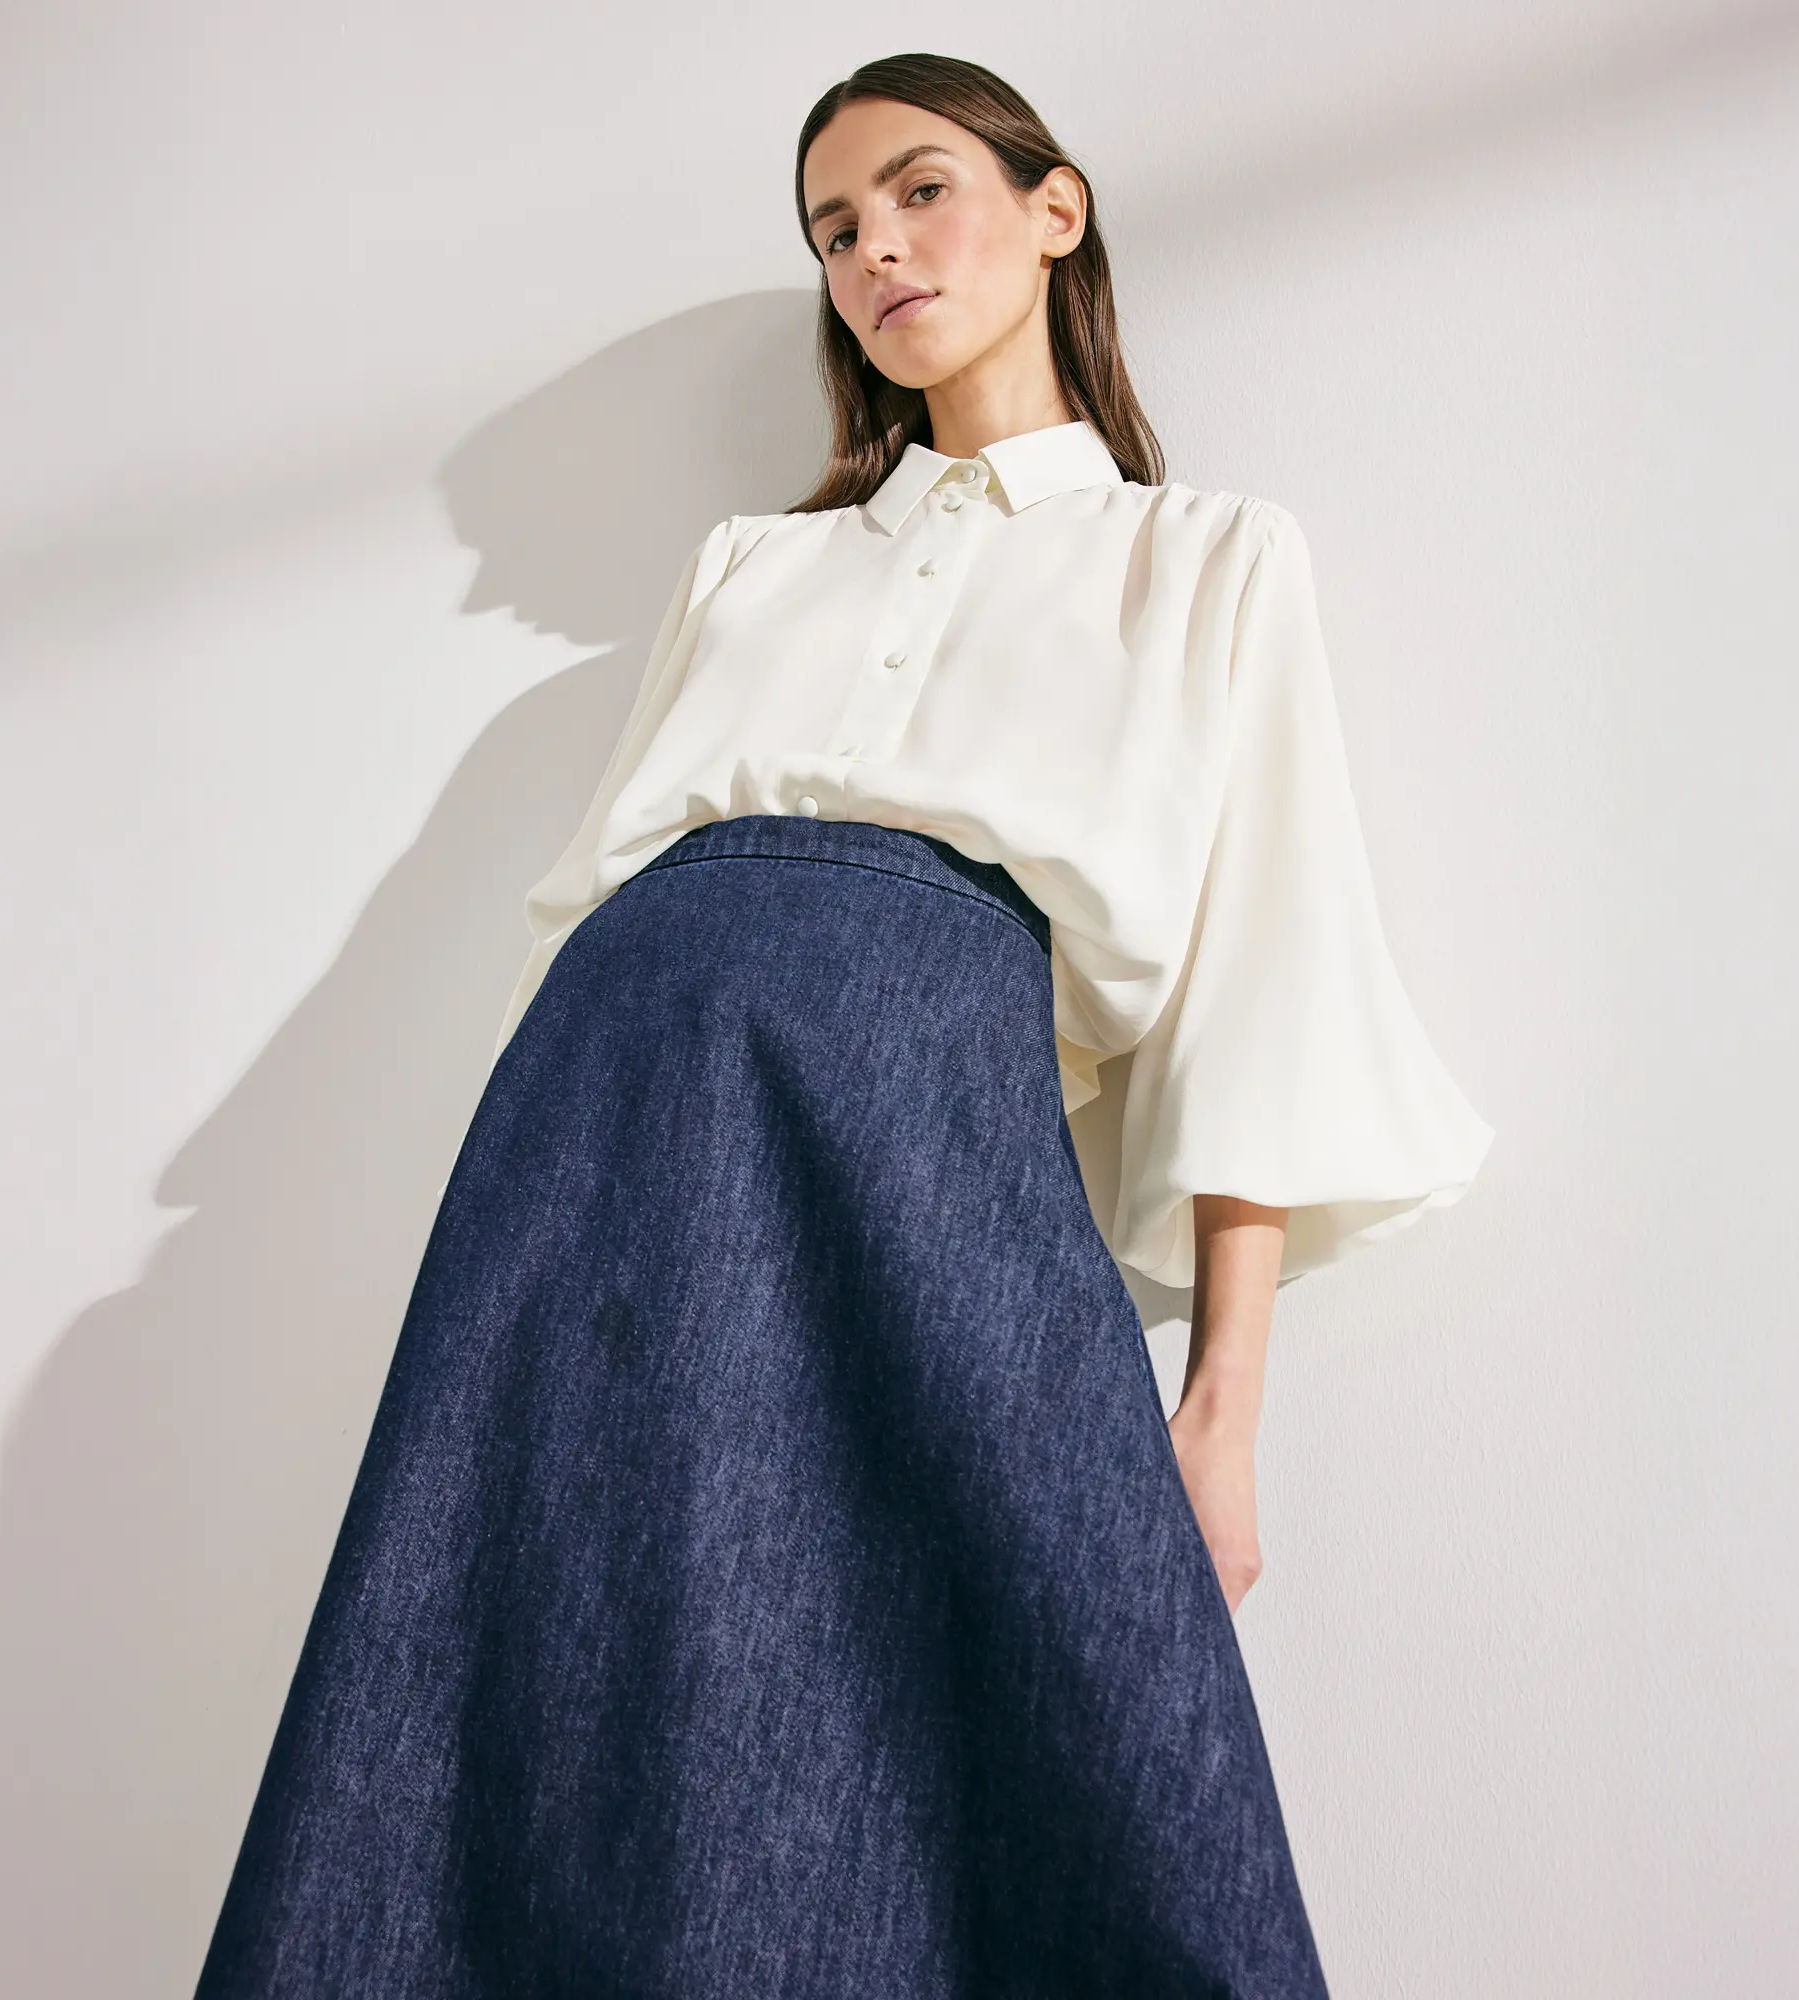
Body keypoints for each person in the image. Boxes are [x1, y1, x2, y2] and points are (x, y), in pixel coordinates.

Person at [195, 50, 1493, 2000]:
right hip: (613, 1111)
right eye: (832, 230)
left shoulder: (1209, 557)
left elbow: (1264, 978)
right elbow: (598, 896)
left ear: (1054, 210)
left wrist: (1222, 1408)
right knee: (581, 1661)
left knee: (1036, 1701)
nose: (875, 249)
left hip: (928, 1118)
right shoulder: (753, 565)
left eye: (917, 190)